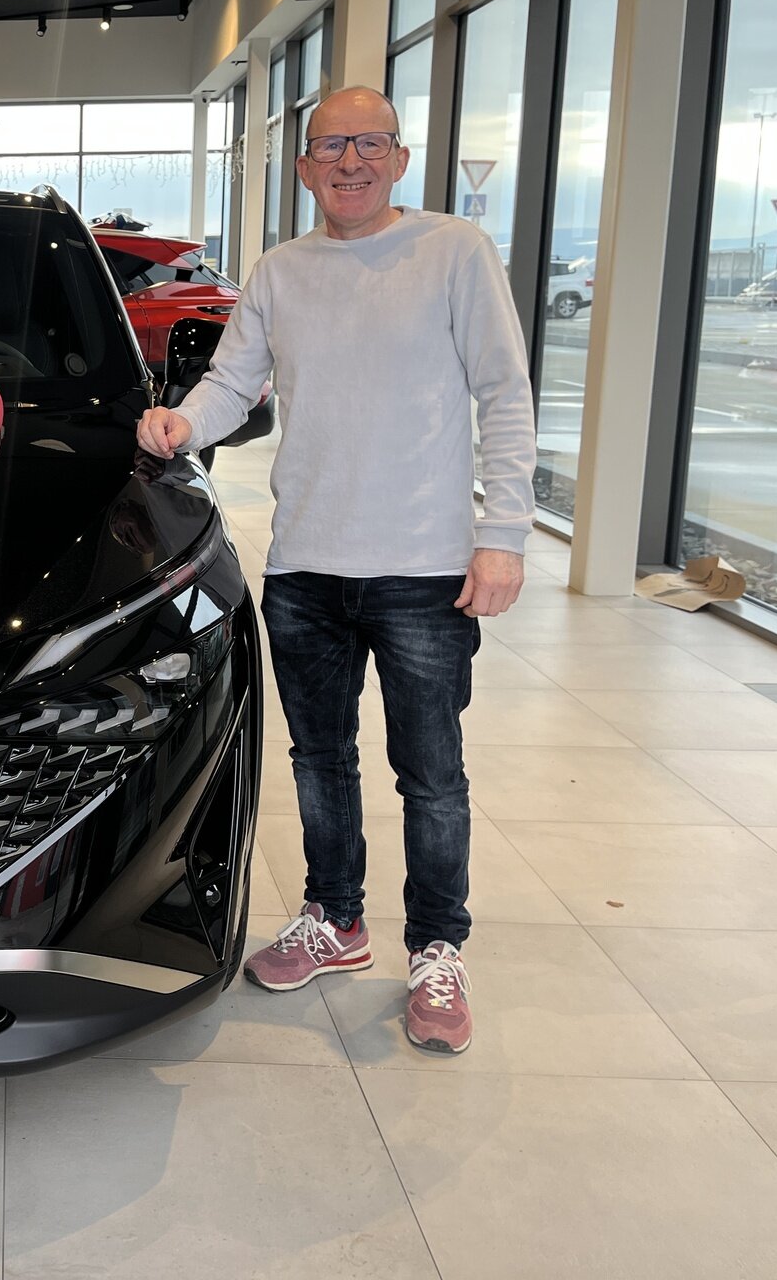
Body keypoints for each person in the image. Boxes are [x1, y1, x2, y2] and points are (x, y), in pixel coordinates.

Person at [137, 85, 537, 1055]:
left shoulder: (454, 252)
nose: (349, 161)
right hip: (307, 565)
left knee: (430, 774)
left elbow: (504, 393)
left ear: (399, 158)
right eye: (330, 146)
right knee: (319, 760)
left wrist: (505, 535)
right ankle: (336, 917)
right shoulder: (281, 271)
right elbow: (234, 382)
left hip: (425, 570)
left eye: (369, 143)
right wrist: (183, 422)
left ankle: (438, 948)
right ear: (305, 165)